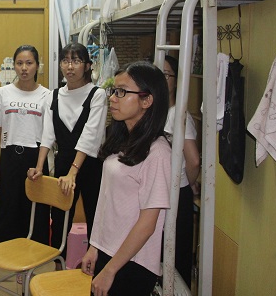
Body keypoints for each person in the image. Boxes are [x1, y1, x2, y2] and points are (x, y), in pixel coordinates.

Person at [81, 61, 171, 296]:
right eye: (114, 91)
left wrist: (110, 270)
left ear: (146, 100)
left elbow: (147, 224)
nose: (112, 98)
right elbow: (105, 201)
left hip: (132, 262)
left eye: (121, 92)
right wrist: (94, 246)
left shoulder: (158, 152)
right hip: (109, 252)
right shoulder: (122, 141)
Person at [28, 42, 107, 267]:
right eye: (65, 60)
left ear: (87, 66)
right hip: (63, 164)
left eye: (76, 61)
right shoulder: (53, 95)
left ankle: (95, 268)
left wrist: (73, 173)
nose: (70, 66)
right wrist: (39, 167)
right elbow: (47, 134)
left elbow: (90, 136)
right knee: (60, 218)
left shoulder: (97, 94)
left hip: (90, 165)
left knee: (94, 216)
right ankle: (59, 266)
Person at [0, 45, 51, 290]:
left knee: (33, 215)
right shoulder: (2, 93)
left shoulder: (47, 96)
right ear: (14, 66)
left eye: (29, 63)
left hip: (36, 159)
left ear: (37, 66)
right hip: (10, 156)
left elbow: (48, 134)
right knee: (4, 212)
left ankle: (25, 267)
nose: (24, 68)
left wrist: (40, 166)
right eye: (19, 63)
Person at [162, 55, 200, 287]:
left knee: (176, 257)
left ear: (177, 80)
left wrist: (187, 182)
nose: (161, 79)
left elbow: (193, 161)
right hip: (163, 193)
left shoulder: (179, 114)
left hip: (177, 195)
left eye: (166, 74)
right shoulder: (155, 113)